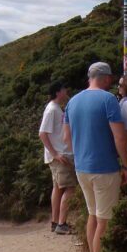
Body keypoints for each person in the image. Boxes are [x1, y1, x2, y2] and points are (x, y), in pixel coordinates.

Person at [63, 61, 127, 252]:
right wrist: (126, 165)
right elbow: (120, 137)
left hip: (82, 168)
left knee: (93, 215)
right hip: (104, 168)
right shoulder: (108, 99)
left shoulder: (72, 102)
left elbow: (67, 140)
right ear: (107, 78)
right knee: (105, 220)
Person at [39, 81, 76, 235]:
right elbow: (42, 133)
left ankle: (56, 222)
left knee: (58, 188)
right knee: (70, 188)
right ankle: (61, 223)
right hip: (60, 156)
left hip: (58, 155)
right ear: (57, 92)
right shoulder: (52, 110)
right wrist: (55, 153)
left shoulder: (55, 109)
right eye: (63, 89)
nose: (66, 91)